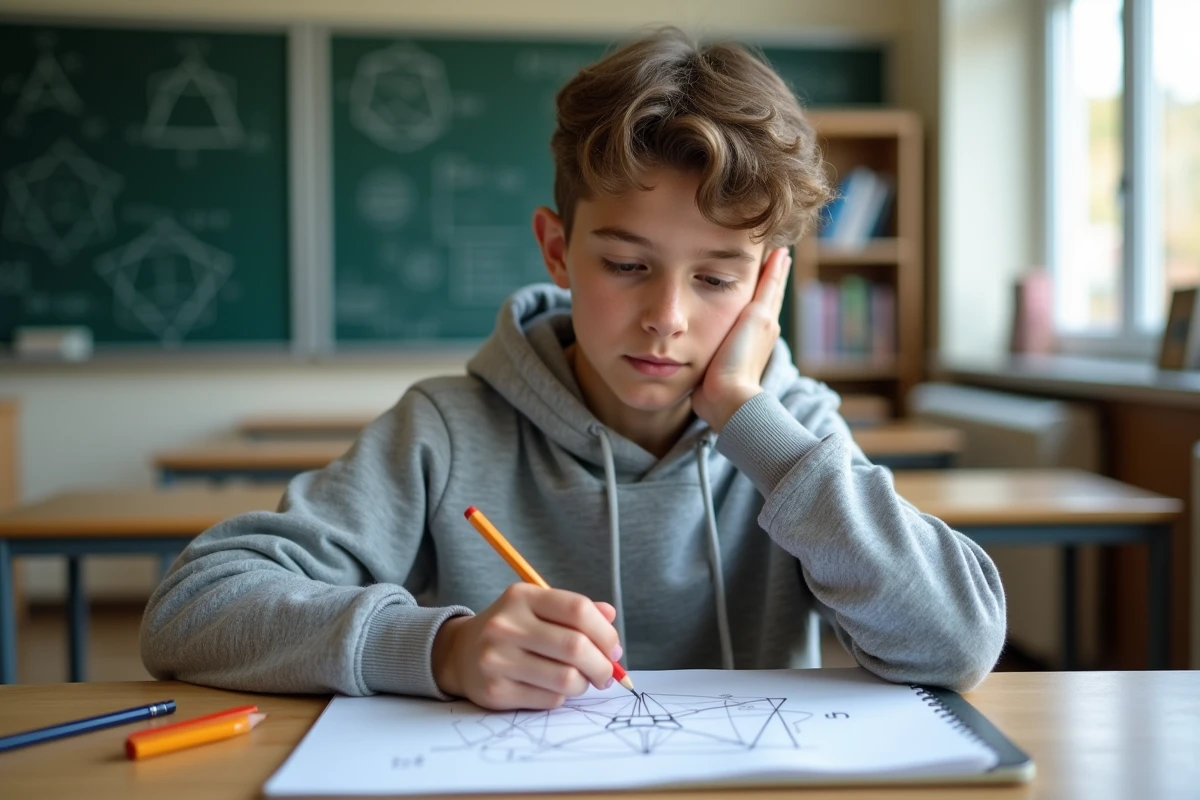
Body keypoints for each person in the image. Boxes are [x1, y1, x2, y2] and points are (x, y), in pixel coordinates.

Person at [141, 28, 1005, 710]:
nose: (667, 316)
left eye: (715, 278)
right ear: (558, 249)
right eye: (626, 265)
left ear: (768, 281)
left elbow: (959, 644)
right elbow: (193, 609)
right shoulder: (445, 431)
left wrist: (747, 415)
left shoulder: (793, 433)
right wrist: (439, 649)